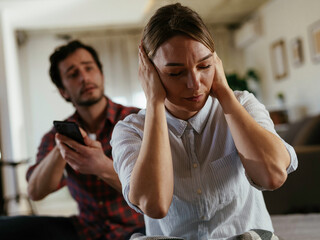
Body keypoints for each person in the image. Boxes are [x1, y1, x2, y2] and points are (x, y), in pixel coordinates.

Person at [110, 3, 298, 240]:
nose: (195, 83)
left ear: (216, 62)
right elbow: (154, 204)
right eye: (176, 73)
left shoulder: (242, 104)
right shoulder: (130, 130)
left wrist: (226, 94)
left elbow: (272, 176)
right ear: (150, 72)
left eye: (204, 66)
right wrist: (155, 102)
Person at [0, 40, 144, 240]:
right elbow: (35, 192)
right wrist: (62, 149)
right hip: (86, 229)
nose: (84, 78)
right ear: (63, 91)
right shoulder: (57, 136)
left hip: (138, 228)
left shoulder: (136, 121)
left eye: (88, 68)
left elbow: (153, 191)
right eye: (73, 74)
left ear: (101, 75)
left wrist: (101, 166)